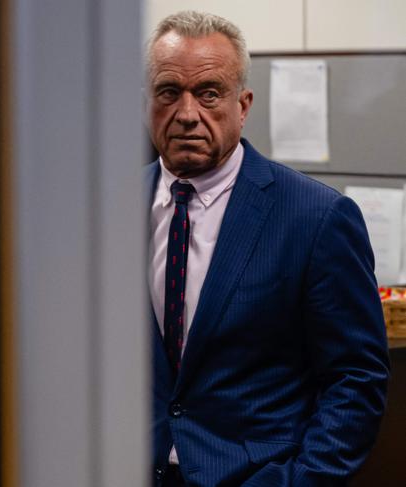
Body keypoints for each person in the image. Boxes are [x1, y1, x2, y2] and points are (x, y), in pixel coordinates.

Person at [145, 11, 390, 487]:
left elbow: (355, 380)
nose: (188, 113)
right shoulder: (106, 210)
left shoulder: (315, 218)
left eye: (210, 93)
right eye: (169, 92)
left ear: (244, 104)